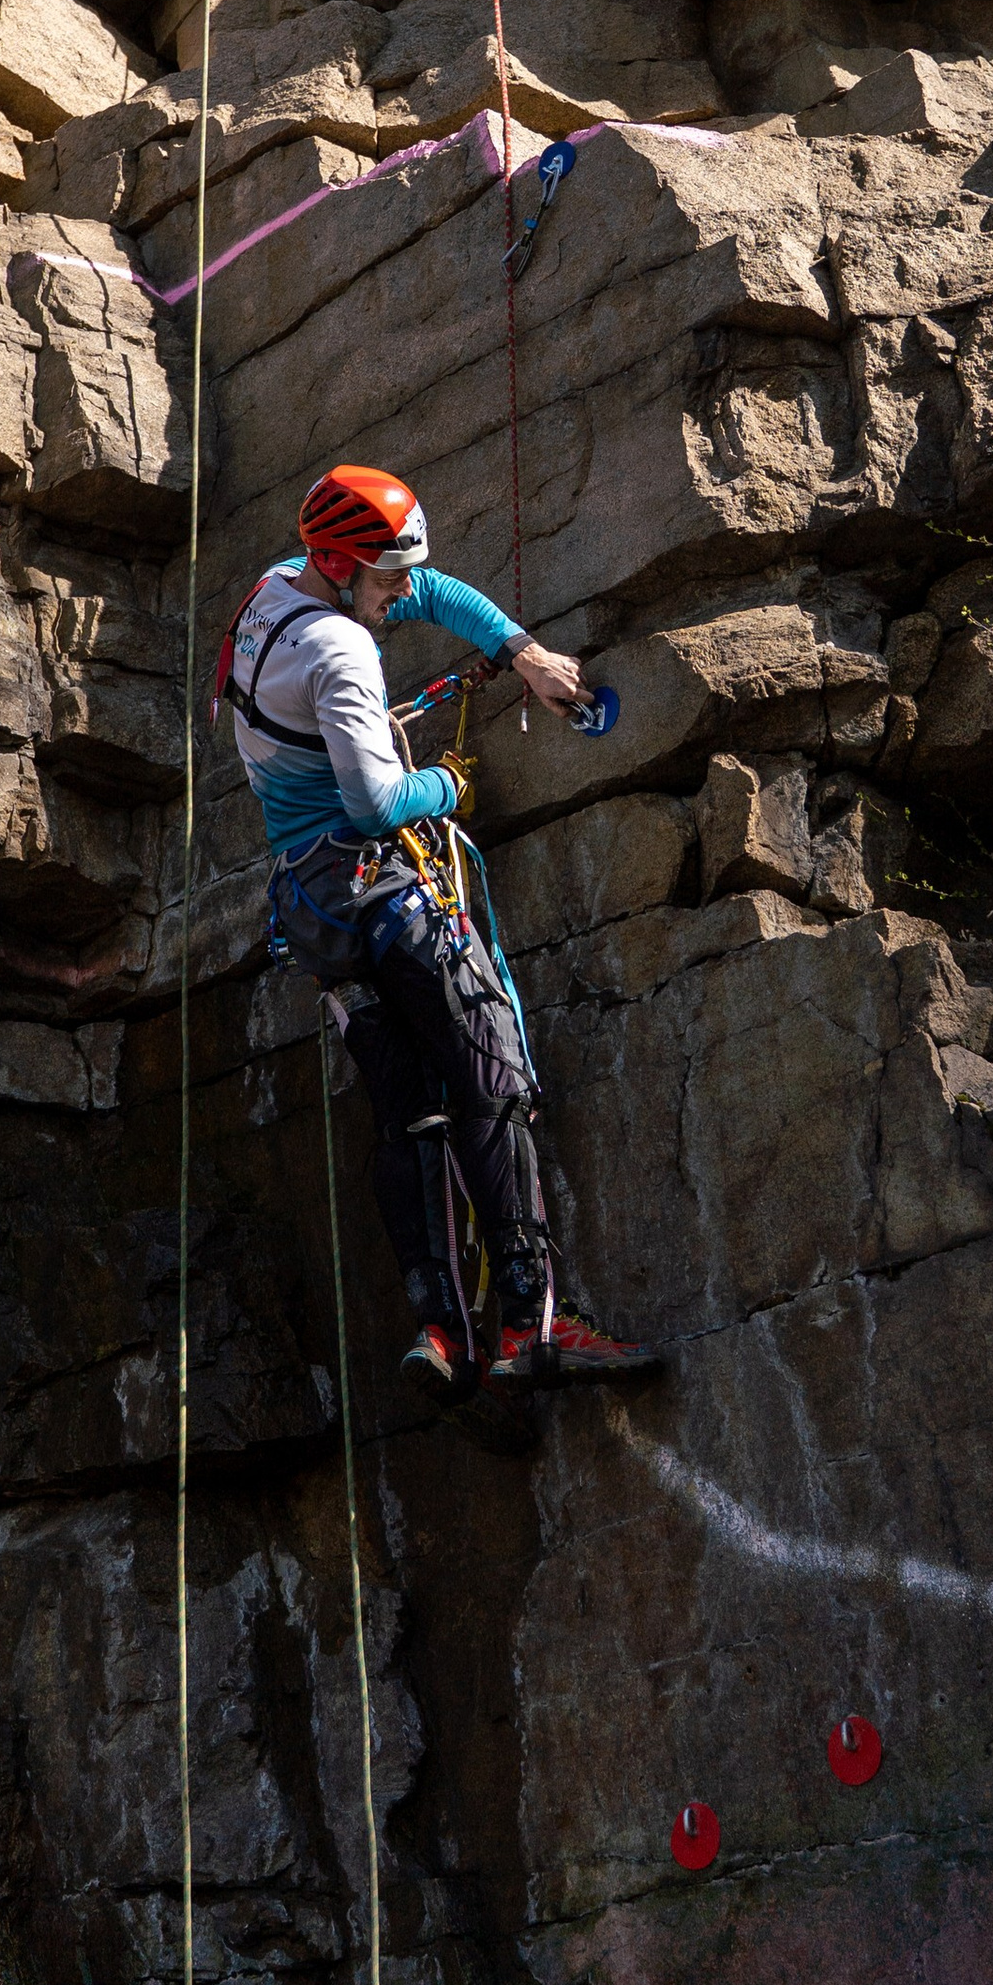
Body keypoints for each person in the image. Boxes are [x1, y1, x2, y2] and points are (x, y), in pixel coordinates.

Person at [222, 461, 658, 1391]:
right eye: (382, 580)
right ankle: (530, 1327)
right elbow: (379, 802)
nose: (396, 595)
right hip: (379, 888)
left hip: (311, 911)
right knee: (491, 1078)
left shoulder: (274, 589)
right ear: (340, 565)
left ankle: (441, 1331)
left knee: (409, 1115)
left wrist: (523, 655)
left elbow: (431, 589)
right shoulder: (338, 651)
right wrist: (448, 786)